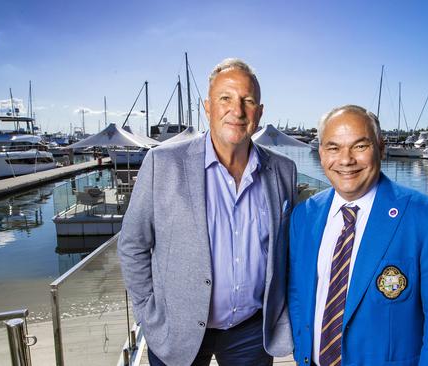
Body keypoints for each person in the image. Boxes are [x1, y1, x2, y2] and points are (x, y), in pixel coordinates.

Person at [118, 58, 296, 366]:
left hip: (252, 332)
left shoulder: (283, 170)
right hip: (176, 330)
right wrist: (149, 312)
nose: (237, 111)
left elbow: (287, 250)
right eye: (225, 98)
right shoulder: (163, 164)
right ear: (207, 106)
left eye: (248, 100)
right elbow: (133, 244)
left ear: (260, 112)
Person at [288, 105, 428, 365]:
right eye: (333, 147)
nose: (345, 160)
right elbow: (298, 292)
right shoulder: (304, 216)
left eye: (359, 146)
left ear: (381, 148)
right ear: (321, 153)